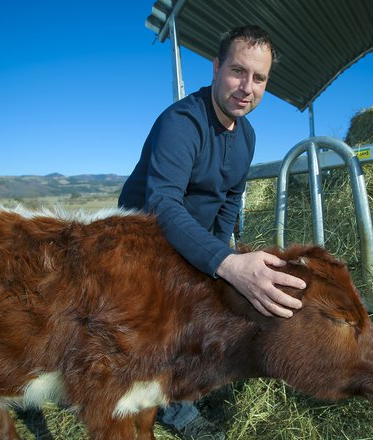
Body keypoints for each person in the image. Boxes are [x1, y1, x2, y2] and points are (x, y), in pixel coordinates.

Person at [118, 25, 305, 440]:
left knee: (215, 304)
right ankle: (173, 408)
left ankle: (187, 382)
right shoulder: (181, 123)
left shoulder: (248, 136)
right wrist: (227, 263)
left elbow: (228, 201)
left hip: (194, 237)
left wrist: (224, 256)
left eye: (259, 79)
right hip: (140, 240)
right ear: (216, 67)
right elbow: (161, 205)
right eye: (238, 71)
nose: (247, 88)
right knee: (165, 321)